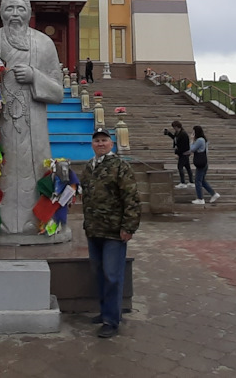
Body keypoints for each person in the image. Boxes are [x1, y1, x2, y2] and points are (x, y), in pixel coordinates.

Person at [0, 0, 64, 236]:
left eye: (20, 9)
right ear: (2, 12)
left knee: (36, 169)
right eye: (10, 9)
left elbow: (58, 91)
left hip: (33, 122)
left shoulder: (44, 43)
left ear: (29, 12)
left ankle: (39, 221)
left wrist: (35, 76)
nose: (15, 14)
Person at [81, 127, 140, 339]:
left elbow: (131, 198)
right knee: (99, 273)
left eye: (104, 140)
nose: (100, 144)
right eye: (97, 141)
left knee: (112, 275)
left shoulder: (120, 166)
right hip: (94, 229)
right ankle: (106, 311)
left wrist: (129, 227)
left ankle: (111, 321)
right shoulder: (90, 167)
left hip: (114, 232)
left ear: (111, 144)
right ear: (92, 144)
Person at [186, 125, 219, 205]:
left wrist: (191, 140)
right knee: (202, 180)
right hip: (204, 162)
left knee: (198, 181)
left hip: (201, 163)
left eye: (193, 132)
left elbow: (192, 149)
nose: (192, 133)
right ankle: (214, 194)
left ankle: (200, 198)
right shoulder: (203, 140)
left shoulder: (200, 140)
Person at [164, 120, 192, 188]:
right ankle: (191, 181)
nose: (174, 128)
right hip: (182, 153)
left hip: (184, 153)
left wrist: (178, 153)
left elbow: (184, 145)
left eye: (174, 127)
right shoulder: (177, 133)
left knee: (180, 167)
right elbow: (175, 139)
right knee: (187, 167)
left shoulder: (183, 134)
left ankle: (183, 182)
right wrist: (168, 133)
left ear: (177, 126)